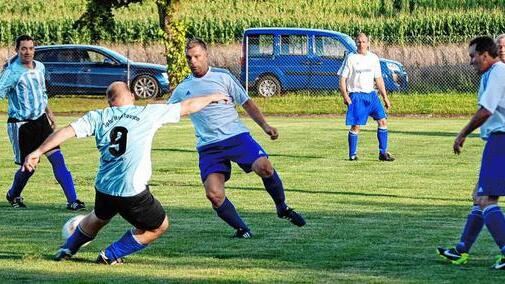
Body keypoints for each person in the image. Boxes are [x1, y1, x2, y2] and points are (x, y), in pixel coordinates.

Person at [23, 81, 228, 264]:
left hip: (104, 188)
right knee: (160, 226)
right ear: (131, 95)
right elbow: (187, 106)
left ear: (110, 101)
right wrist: (211, 97)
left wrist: (38, 151)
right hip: (132, 192)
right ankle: (111, 254)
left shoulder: (98, 116)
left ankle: (69, 247)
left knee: (97, 218)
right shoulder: (146, 113)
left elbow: (66, 131)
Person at [168, 38, 305, 238]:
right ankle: (242, 230)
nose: (193, 61)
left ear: (206, 56)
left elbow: (246, 103)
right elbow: (165, 112)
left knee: (264, 167)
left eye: (197, 56)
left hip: (236, 137)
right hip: (209, 147)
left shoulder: (223, 77)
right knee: (214, 195)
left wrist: (265, 126)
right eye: (189, 58)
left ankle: (282, 207)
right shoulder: (183, 88)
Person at [437, 36, 505, 270]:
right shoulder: (493, 73)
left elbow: (486, 110)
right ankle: (462, 249)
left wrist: (462, 133)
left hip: (501, 140)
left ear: (485, 55)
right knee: (479, 196)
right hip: (497, 141)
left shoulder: (498, 72)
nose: (471, 62)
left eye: (473, 56)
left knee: (486, 199)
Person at [0, 35, 84, 210]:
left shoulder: (41, 67)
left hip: (41, 121)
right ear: (17, 50)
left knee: (58, 159)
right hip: (22, 126)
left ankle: (73, 201)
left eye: (31, 48)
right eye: (23, 48)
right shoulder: (11, 73)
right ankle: (13, 194)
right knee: (29, 166)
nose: (27, 52)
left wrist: (50, 114)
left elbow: (41, 93)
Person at [338, 33, 394, 161]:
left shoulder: (373, 58)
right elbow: (342, 79)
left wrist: (385, 97)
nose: (361, 44)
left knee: (383, 121)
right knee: (356, 126)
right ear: (355, 43)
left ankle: (383, 153)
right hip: (357, 96)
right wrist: (345, 95)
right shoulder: (351, 58)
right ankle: (352, 155)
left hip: (372, 95)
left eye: (364, 42)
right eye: (358, 42)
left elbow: (378, 79)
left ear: (368, 43)